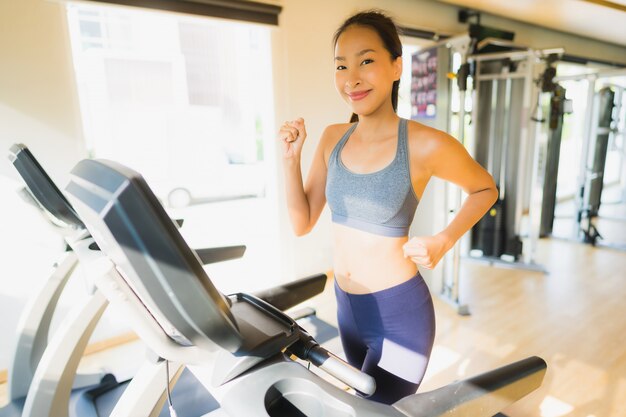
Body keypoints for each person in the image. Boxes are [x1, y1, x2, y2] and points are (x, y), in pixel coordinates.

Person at [278, 10, 498, 404]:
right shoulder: (332, 138)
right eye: (341, 66)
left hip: (401, 318)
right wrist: (291, 160)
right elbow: (302, 222)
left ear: (397, 66)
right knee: (360, 406)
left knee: (374, 411)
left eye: (366, 61)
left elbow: (485, 189)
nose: (352, 78)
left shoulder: (424, 143)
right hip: (347, 309)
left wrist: (444, 240)